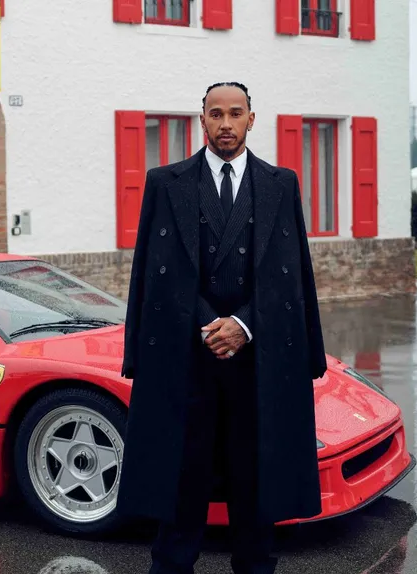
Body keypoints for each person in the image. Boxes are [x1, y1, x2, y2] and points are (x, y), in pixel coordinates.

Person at [118, 82, 328, 574]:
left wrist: (244, 324)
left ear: (252, 119)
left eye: (236, 114)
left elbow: (291, 273)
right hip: (185, 359)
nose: (226, 124)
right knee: (182, 475)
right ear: (202, 120)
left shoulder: (281, 183)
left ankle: (255, 567)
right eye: (217, 114)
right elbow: (151, 270)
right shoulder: (165, 182)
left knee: (255, 474)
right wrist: (209, 323)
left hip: (259, 360)